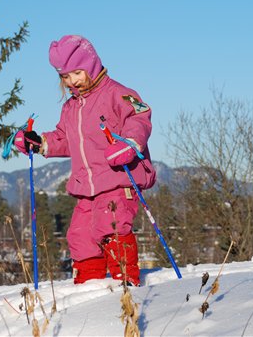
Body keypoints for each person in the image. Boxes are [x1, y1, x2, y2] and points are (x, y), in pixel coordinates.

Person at [14, 35, 156, 286]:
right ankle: (89, 288)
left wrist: (130, 143)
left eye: (77, 73)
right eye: (65, 76)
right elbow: (65, 139)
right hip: (86, 187)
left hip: (117, 179)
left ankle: (126, 285)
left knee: (111, 225)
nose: (72, 81)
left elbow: (139, 117)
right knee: (80, 236)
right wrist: (39, 142)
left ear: (91, 65)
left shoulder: (117, 94)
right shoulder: (71, 108)